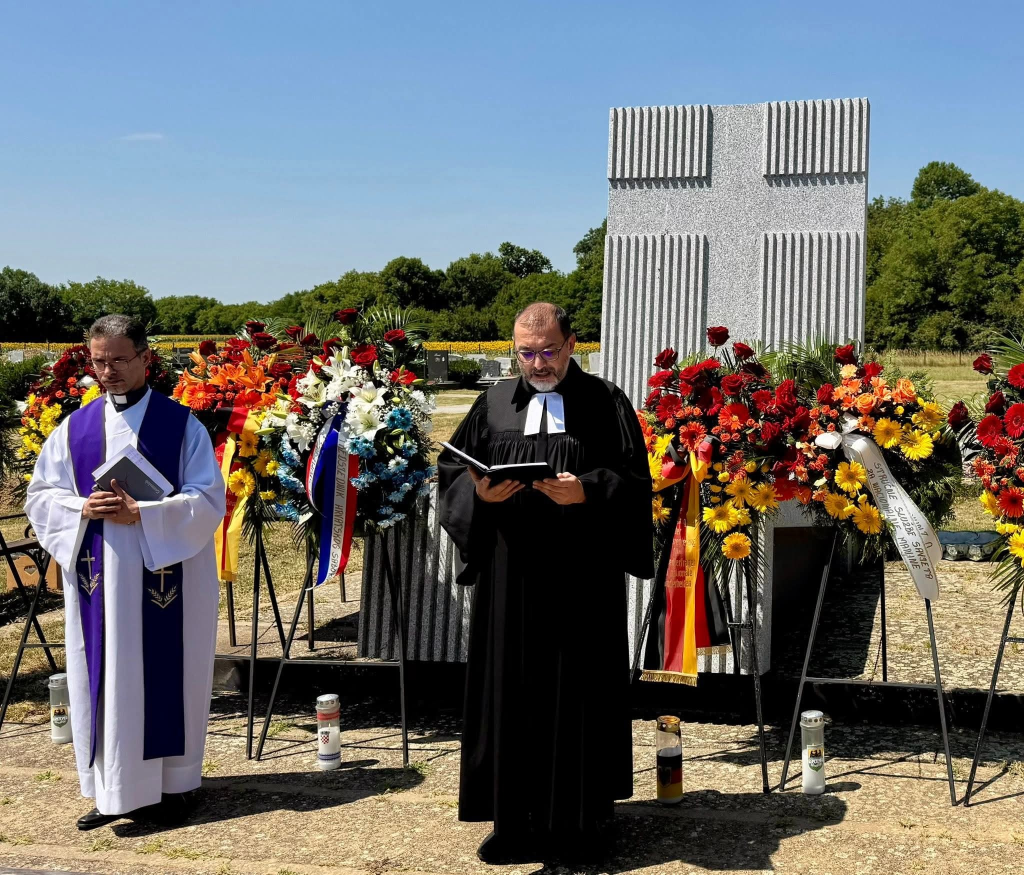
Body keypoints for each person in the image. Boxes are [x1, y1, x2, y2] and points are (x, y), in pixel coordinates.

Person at [438, 302, 654, 862]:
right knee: (509, 689)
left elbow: (635, 483)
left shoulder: (605, 402)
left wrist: (589, 489)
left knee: (576, 690)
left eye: (548, 350)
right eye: (525, 353)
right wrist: (478, 494)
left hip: (581, 577)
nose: (537, 364)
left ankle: (579, 826)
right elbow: (452, 471)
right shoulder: (492, 403)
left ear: (572, 343)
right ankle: (513, 823)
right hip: (510, 577)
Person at [25, 315, 225, 831]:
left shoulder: (183, 426)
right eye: (98, 361)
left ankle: (175, 788)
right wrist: (80, 510)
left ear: (144, 358)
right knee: (103, 677)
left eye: (118, 359)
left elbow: (208, 501)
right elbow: (42, 497)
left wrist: (146, 514)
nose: (107, 370)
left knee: (167, 673)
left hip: (164, 580)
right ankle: (111, 790)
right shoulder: (74, 429)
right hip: (99, 582)